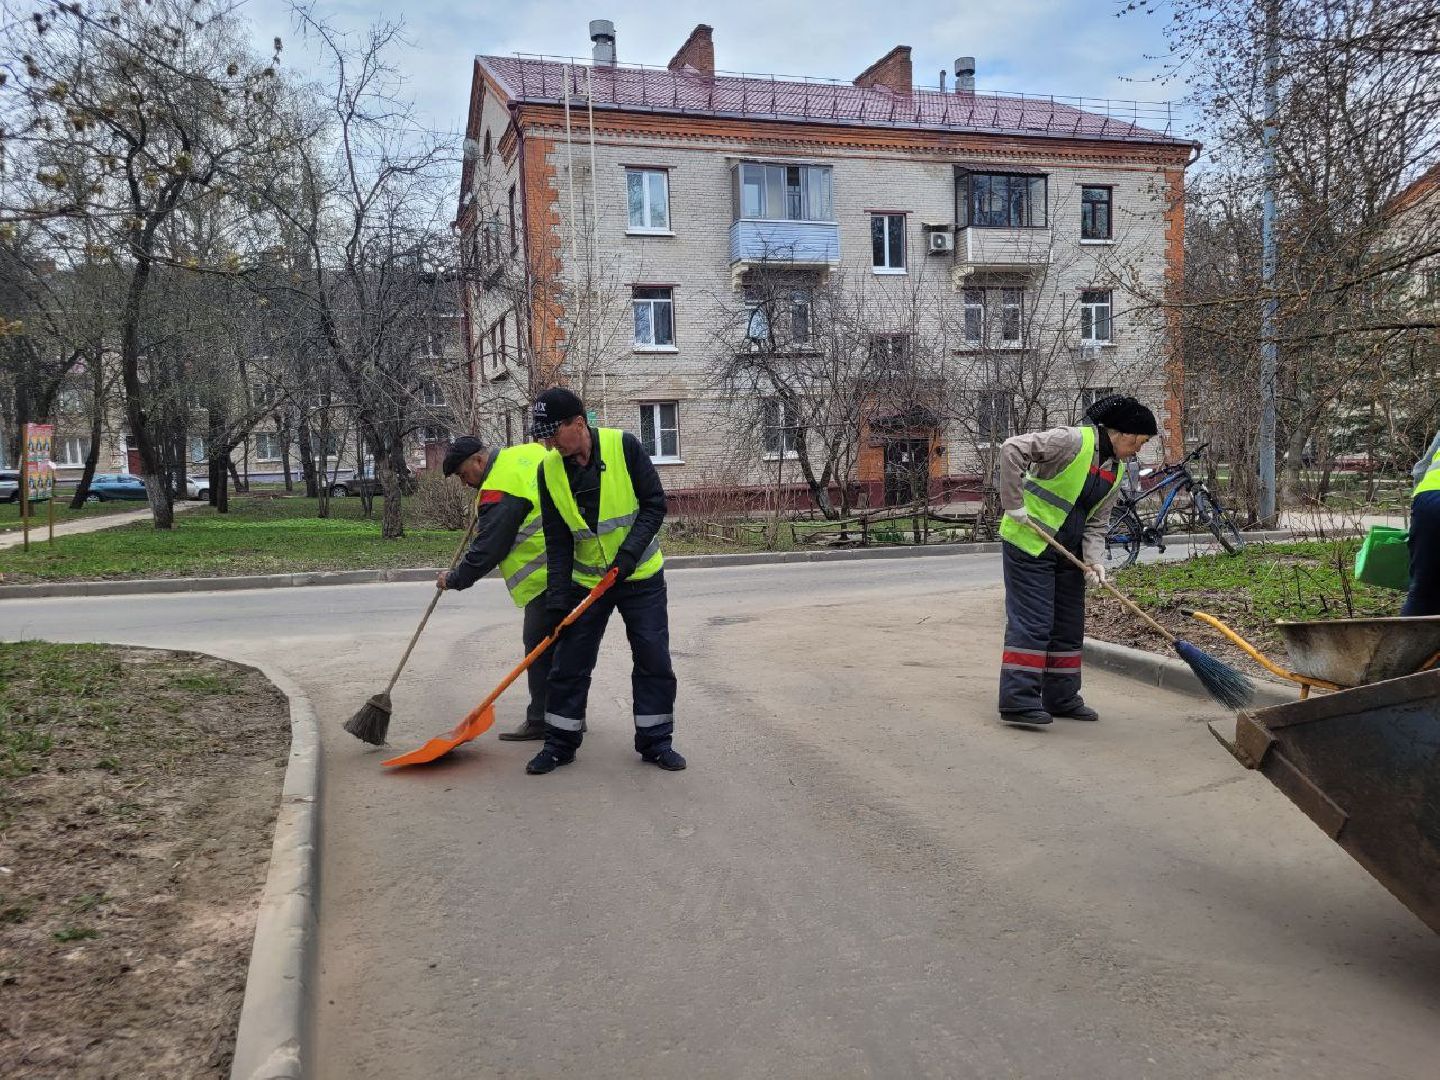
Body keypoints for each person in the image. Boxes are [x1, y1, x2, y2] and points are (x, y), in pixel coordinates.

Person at [524, 387, 684, 775]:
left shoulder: (624, 446)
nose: (548, 443)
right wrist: (559, 600)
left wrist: (627, 557)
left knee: (652, 658)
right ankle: (559, 743)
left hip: (639, 576)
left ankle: (656, 742)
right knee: (568, 663)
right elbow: (558, 539)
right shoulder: (548, 470)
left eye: (552, 433)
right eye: (542, 436)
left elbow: (654, 505)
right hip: (586, 583)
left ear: (578, 423)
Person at [996, 394, 1158, 727]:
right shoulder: (1071, 441)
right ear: (1120, 432)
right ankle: (1018, 701)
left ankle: (1061, 697)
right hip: (1030, 544)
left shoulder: (1118, 468)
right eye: (1139, 442)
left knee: (1068, 627)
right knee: (1034, 623)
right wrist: (1013, 503)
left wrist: (1095, 562)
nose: (1139, 450)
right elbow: (1011, 448)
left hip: (1070, 554)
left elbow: (1097, 523)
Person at [436, 435, 555, 741]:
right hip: (570, 565)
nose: (465, 484)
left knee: (538, 649)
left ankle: (543, 720)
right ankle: (567, 717)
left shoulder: (499, 489)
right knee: (559, 648)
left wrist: (454, 578)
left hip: (546, 575)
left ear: (479, 460)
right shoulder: (524, 454)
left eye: (464, 475)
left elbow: (489, 549)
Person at [1403, 428, 1440, 617]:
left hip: (1428, 498)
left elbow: (1420, 470)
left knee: (1422, 589)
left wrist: (1419, 517)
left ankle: (1402, 645)